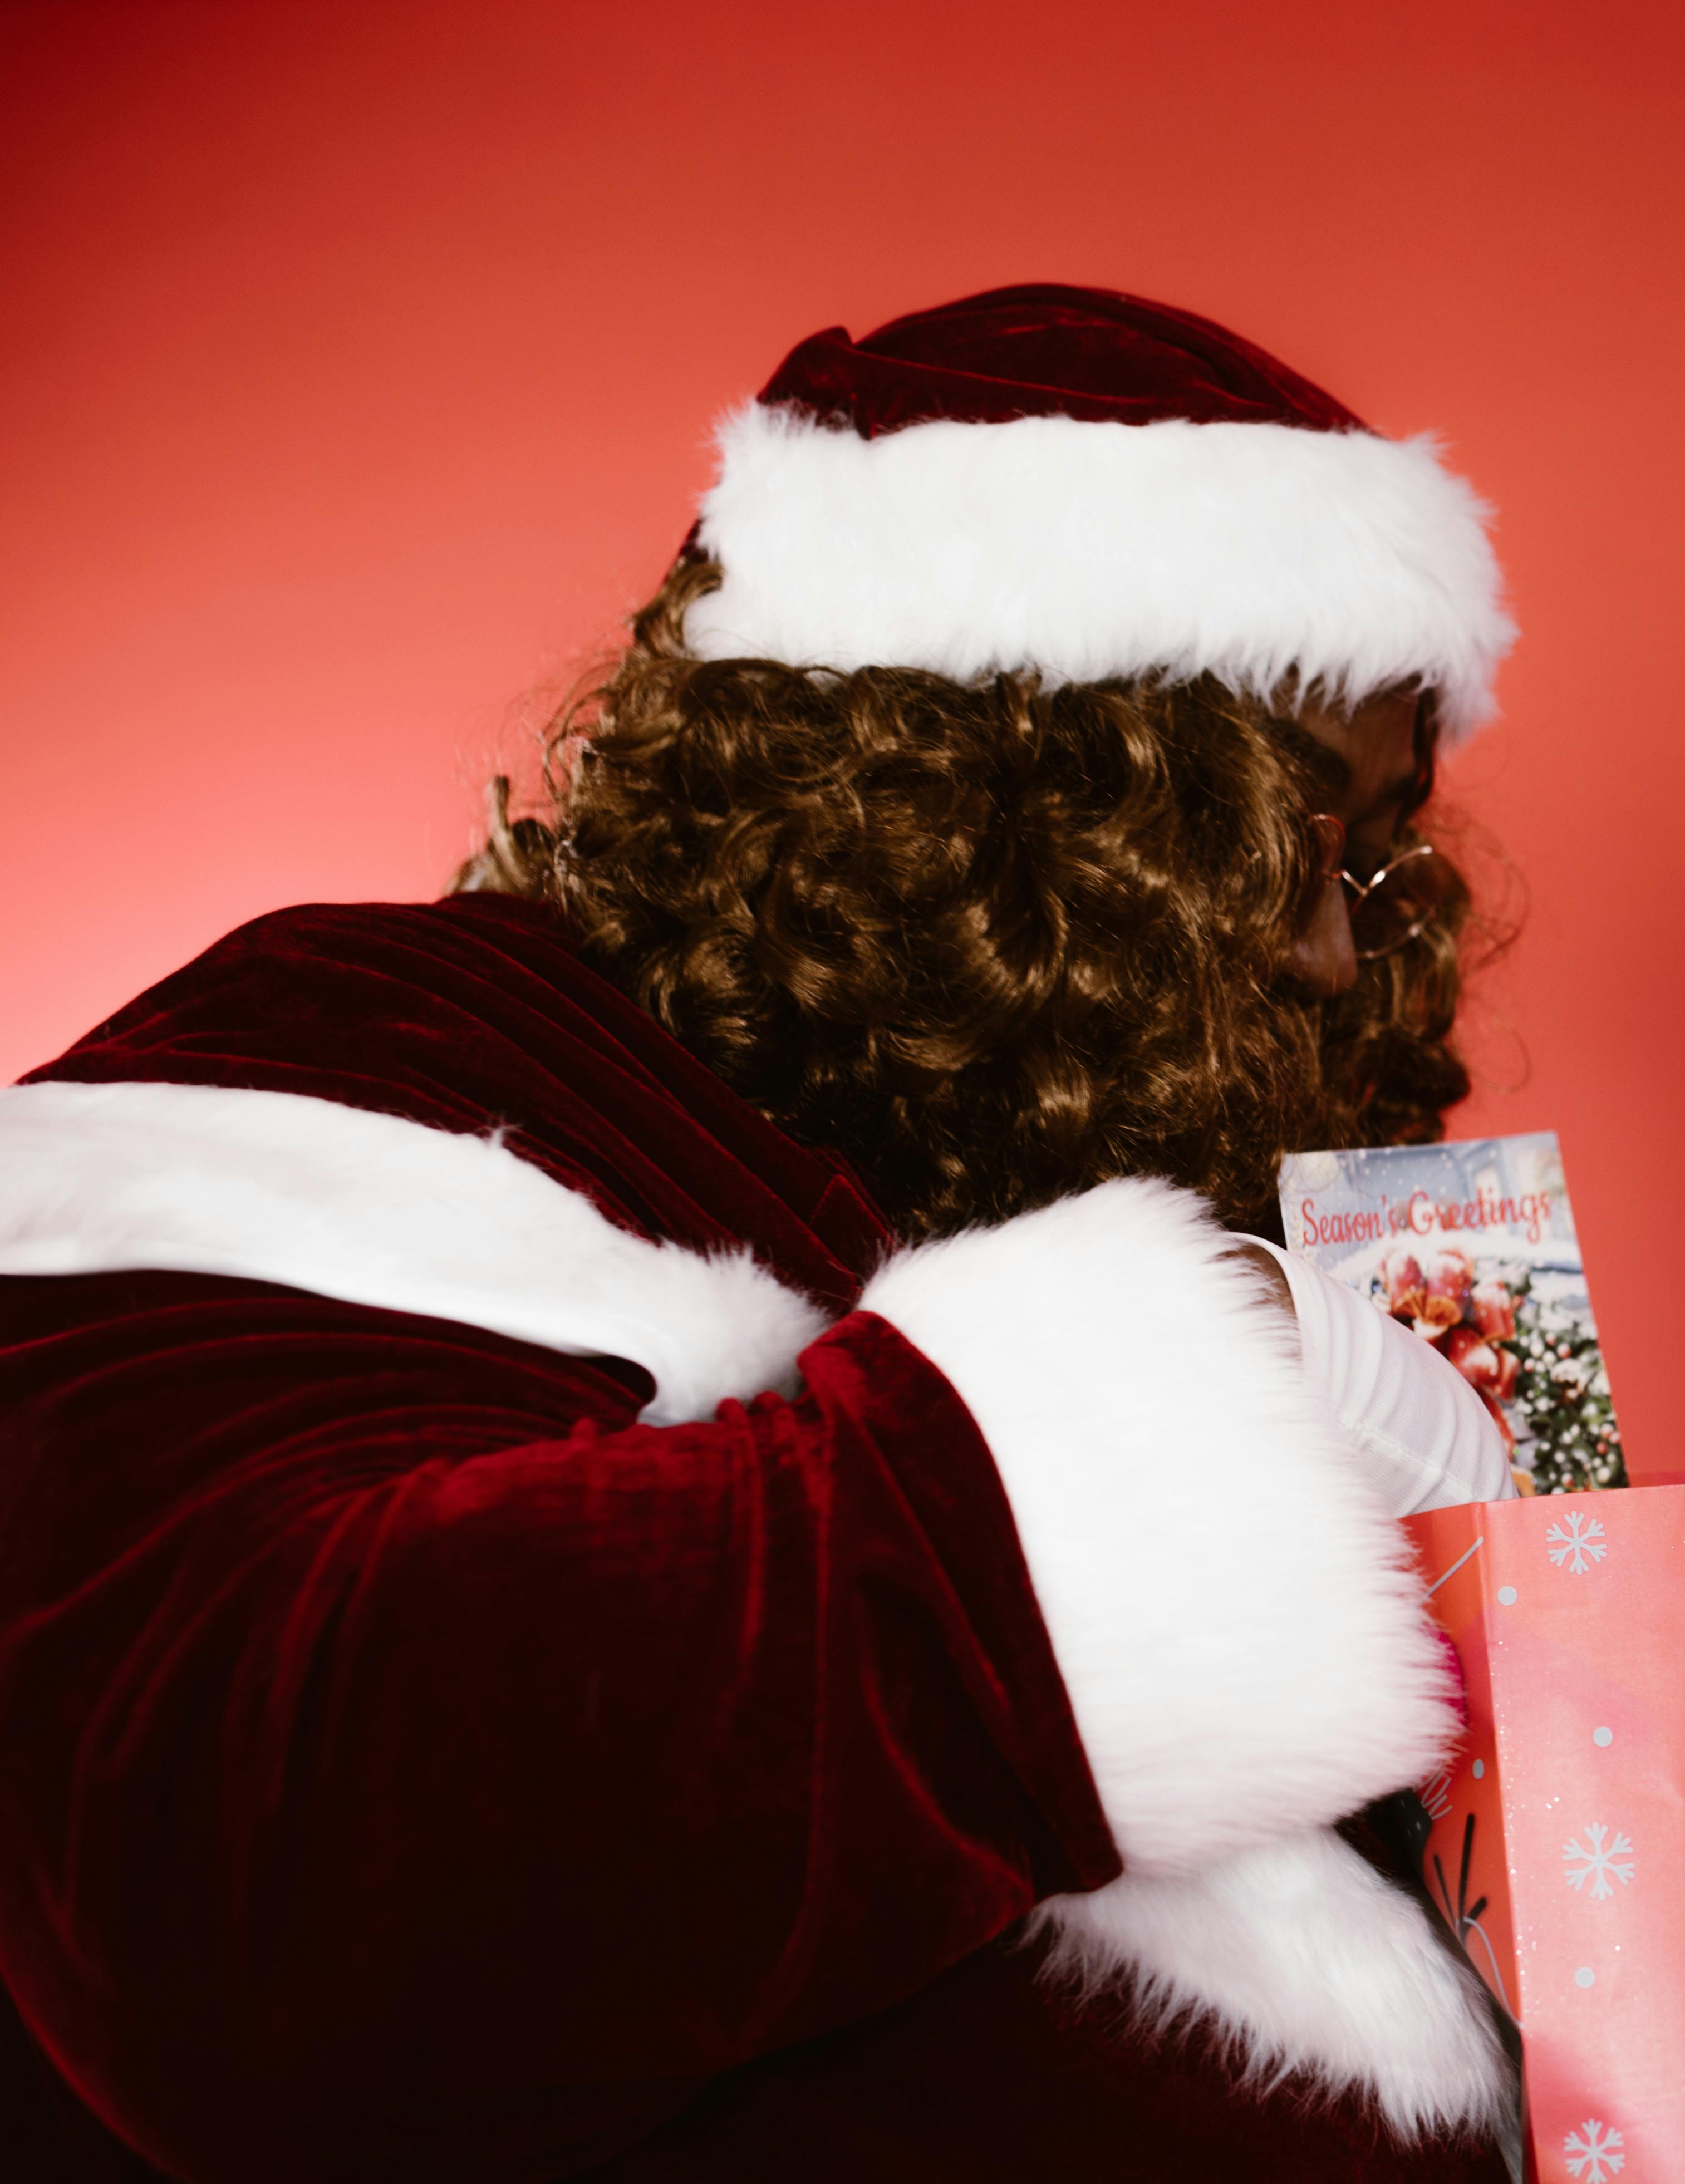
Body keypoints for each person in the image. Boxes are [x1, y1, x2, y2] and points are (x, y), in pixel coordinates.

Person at [0, 287, 1532, 2181]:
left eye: (1366, 859)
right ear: (970, 791)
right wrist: (1122, 1447)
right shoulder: (375, 1058)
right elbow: (227, 1885)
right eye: (1277, 834)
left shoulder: (1013, 1206)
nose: (1328, 956)